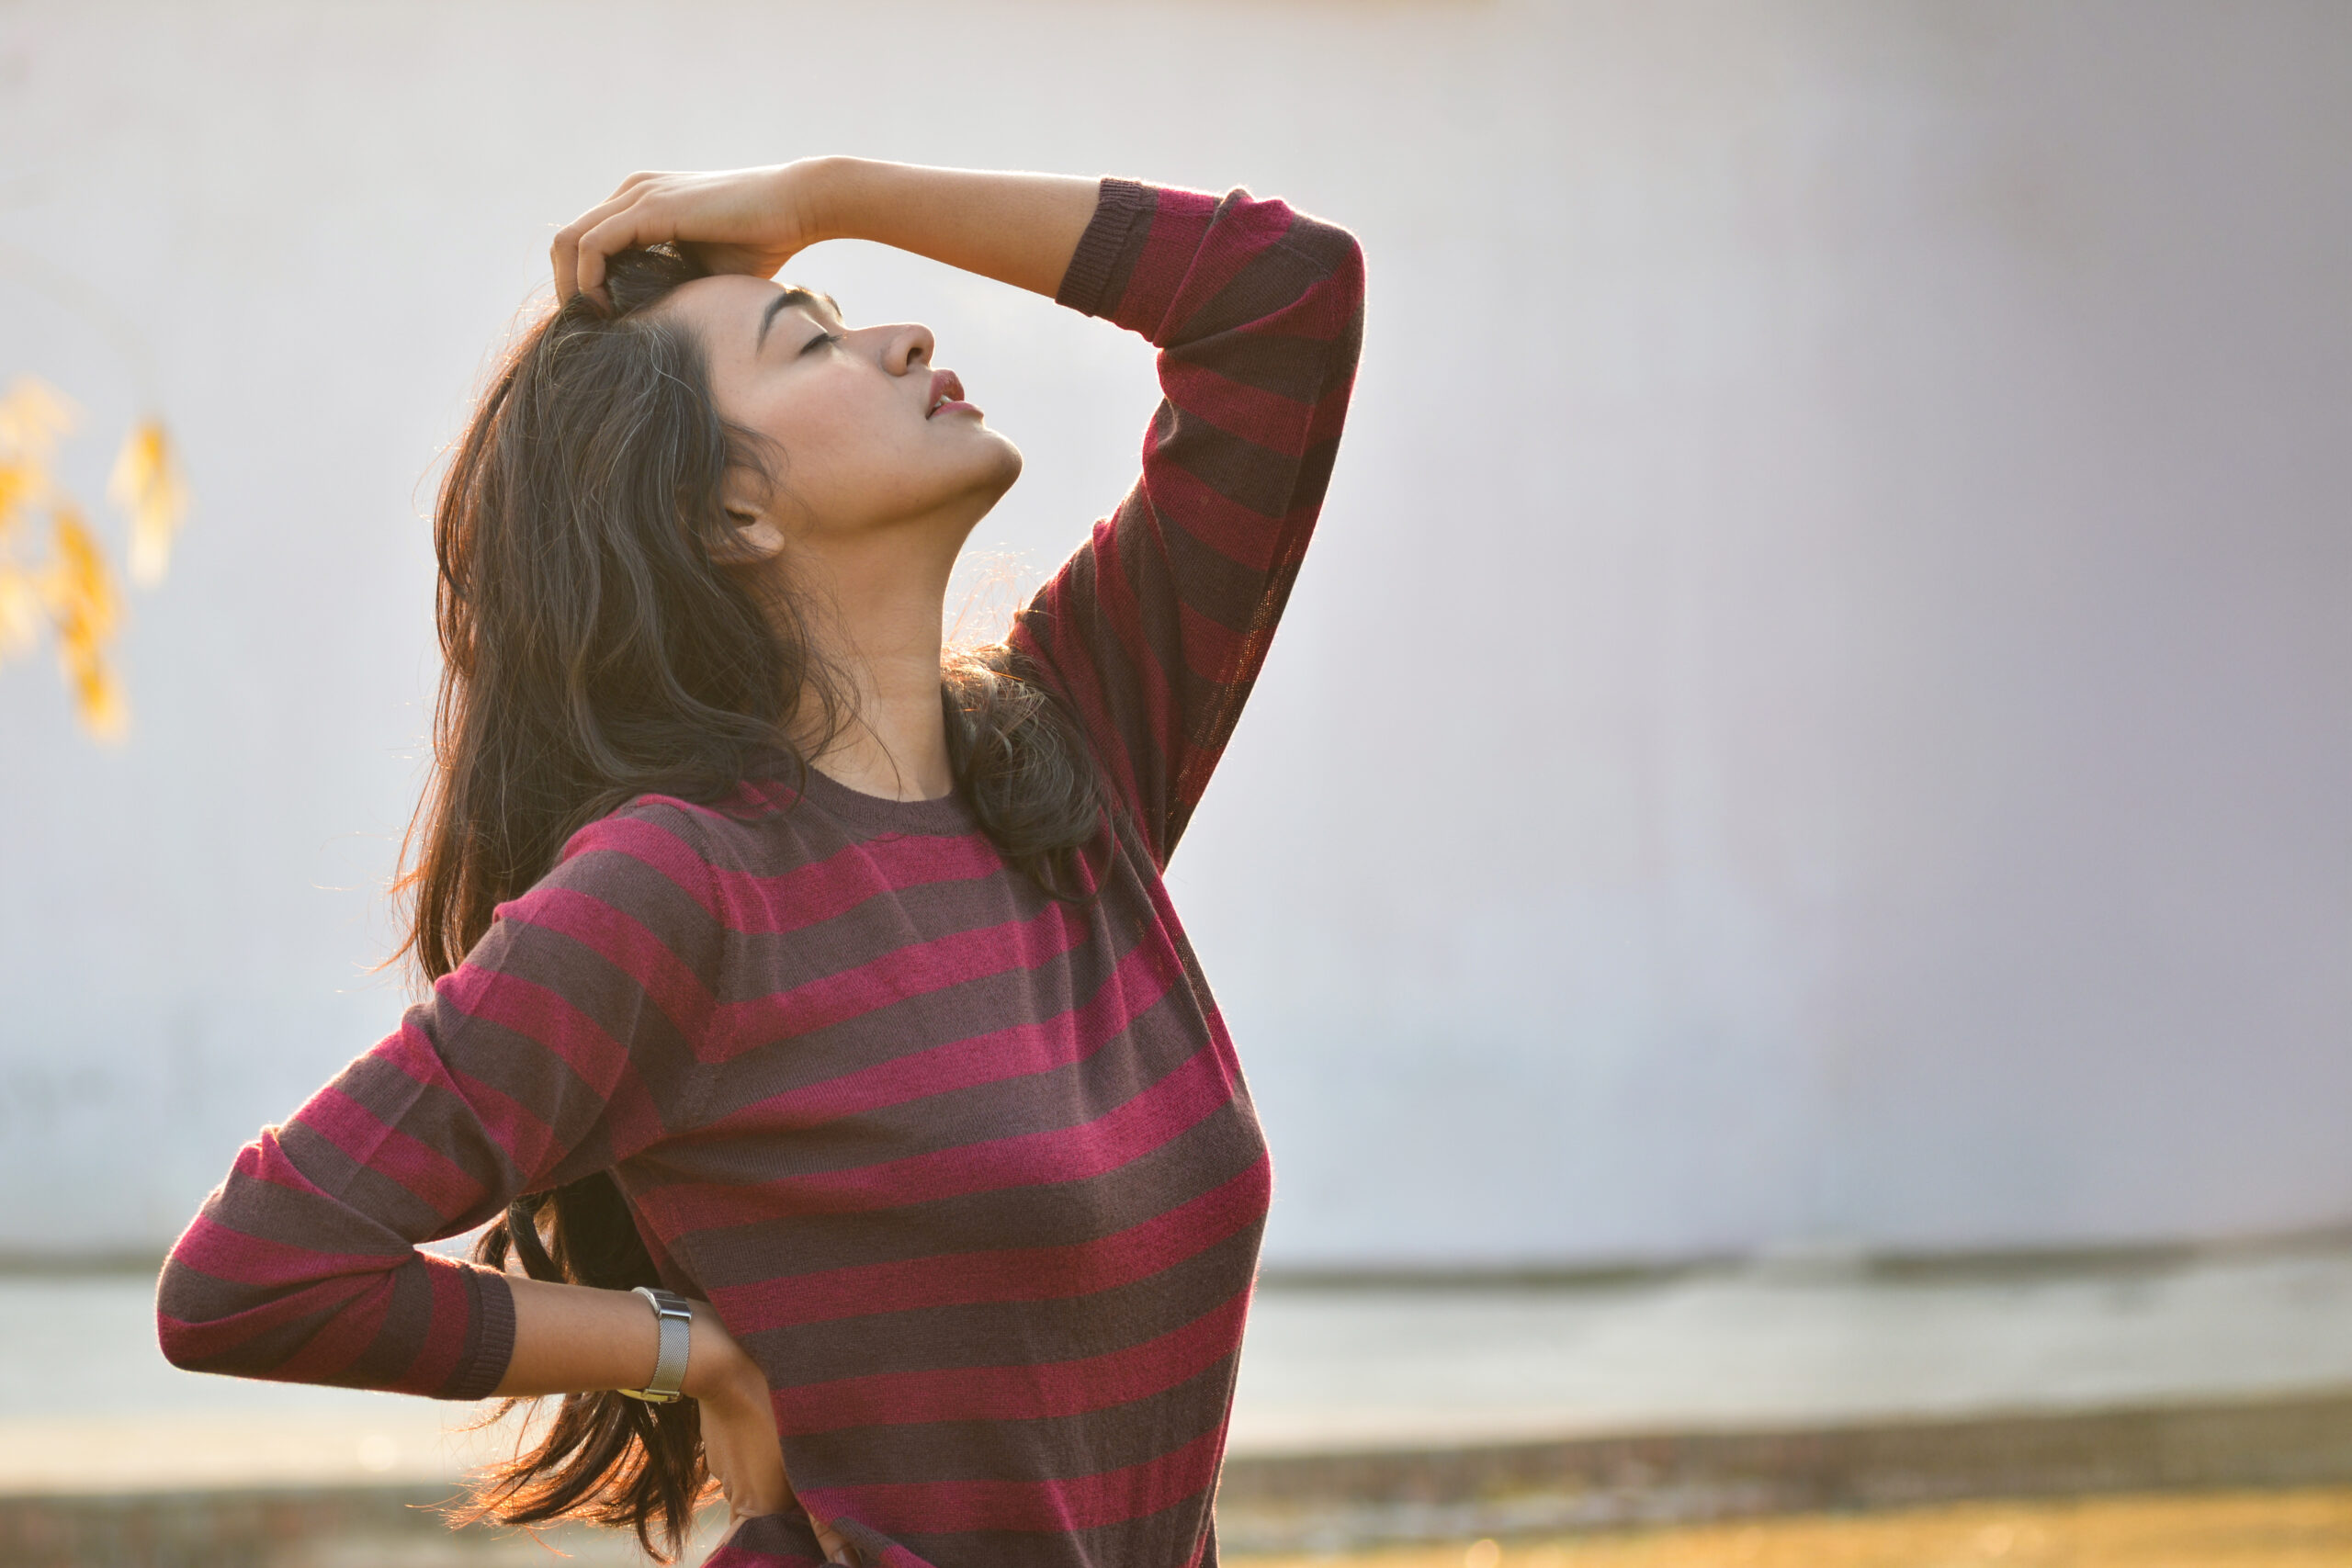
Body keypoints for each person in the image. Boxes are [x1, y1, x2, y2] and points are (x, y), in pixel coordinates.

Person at [155, 157, 1363, 1568]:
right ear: (732, 512)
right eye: (810, 343)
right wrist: (685, 1353)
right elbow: (254, 1271)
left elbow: (1285, 302)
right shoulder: (679, 895)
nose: (905, 338)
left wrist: (825, 193)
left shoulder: (1075, 752)